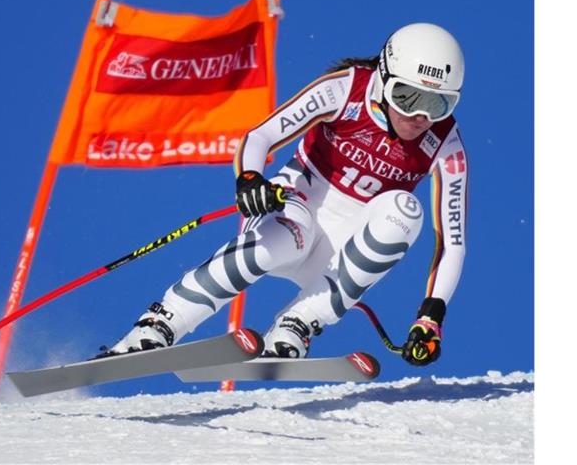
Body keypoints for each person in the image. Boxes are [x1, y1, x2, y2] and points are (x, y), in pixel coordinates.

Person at [101, 22, 468, 367]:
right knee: (285, 240)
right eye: (406, 97)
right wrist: (250, 178)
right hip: (296, 206)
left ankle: (298, 323)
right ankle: (163, 321)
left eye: (438, 104)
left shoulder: (445, 145)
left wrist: (431, 316)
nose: (419, 116)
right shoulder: (345, 89)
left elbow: (453, 242)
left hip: (343, 251)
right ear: (384, 78)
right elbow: (260, 136)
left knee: (405, 210)